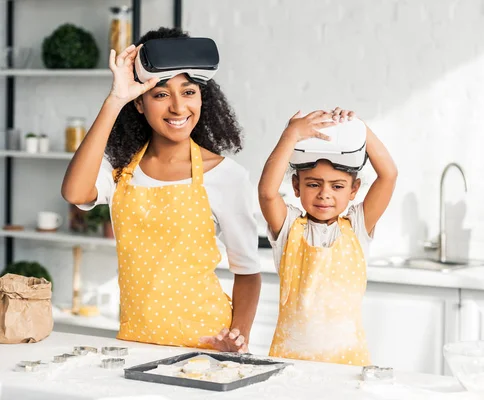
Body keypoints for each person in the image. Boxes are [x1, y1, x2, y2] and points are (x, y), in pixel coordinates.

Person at [61, 27, 261, 352]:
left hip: (208, 346)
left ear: (202, 97)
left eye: (189, 91)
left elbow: (248, 271)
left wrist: (237, 337)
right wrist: (115, 100)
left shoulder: (227, 176)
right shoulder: (120, 170)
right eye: (161, 94)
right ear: (139, 103)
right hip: (136, 344)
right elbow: (74, 193)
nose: (178, 107)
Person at [258, 108, 397, 365]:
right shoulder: (288, 227)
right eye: (313, 184)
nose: (325, 194)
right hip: (291, 361)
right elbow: (267, 193)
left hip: (347, 362)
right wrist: (291, 135)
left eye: (337, 186)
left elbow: (388, 175)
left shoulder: (357, 226)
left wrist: (359, 128)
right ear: (296, 187)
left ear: (354, 189)